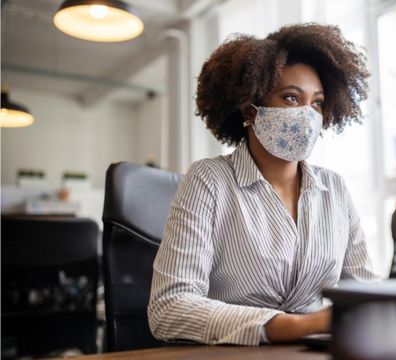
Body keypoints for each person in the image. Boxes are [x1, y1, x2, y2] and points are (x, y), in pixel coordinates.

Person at [147, 23, 378, 346]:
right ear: (250, 107)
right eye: (291, 98)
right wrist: (299, 325)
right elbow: (169, 308)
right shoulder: (209, 180)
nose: (307, 115)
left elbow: (366, 293)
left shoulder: (334, 189)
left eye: (316, 104)